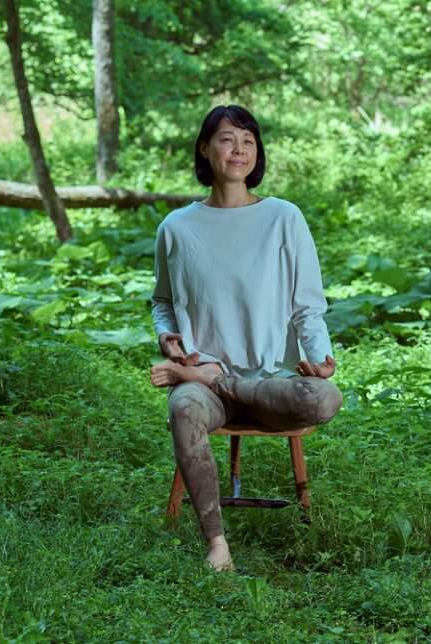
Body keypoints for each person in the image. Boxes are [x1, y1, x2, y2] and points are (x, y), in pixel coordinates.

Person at [148, 105, 343, 572]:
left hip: (271, 382)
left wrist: (320, 357)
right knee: (184, 408)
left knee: (325, 398)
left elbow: (307, 305)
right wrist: (168, 338)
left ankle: (218, 381)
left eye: (248, 141)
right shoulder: (176, 227)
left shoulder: (283, 217)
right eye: (227, 139)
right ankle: (217, 545)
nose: (239, 150)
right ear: (204, 148)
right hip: (202, 384)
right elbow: (163, 301)